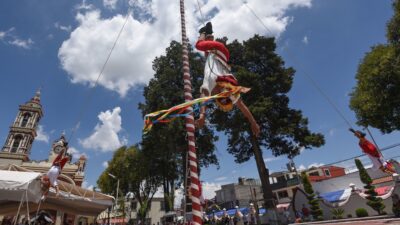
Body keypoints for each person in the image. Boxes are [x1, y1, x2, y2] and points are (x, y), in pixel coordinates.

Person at [195, 22, 260, 137]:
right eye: (218, 95)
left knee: (207, 54)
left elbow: (204, 97)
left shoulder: (213, 87)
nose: (215, 94)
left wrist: (202, 116)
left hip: (221, 55)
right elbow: (242, 106)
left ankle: (208, 33)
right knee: (199, 45)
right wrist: (253, 123)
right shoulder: (225, 89)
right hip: (219, 51)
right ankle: (203, 32)